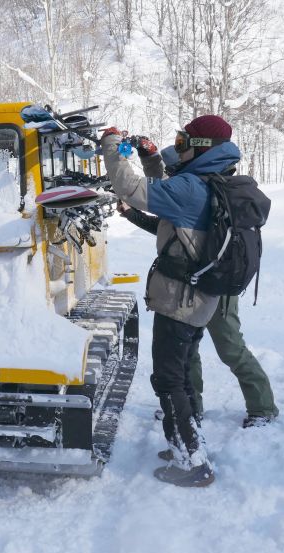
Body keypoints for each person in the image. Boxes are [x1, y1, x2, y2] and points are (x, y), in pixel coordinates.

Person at [101, 115, 244, 487]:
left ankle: (192, 461)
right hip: (195, 299)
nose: (177, 146)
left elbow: (130, 187)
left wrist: (112, 145)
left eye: (183, 141)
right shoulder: (206, 181)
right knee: (178, 375)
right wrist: (151, 159)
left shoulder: (193, 187)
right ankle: (184, 439)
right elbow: (165, 195)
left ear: (201, 148)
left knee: (169, 379)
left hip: (181, 301)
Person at [117, 145, 280, 431]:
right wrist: (132, 214)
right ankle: (191, 409)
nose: (169, 176)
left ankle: (263, 407)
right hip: (199, 282)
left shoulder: (198, 190)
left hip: (218, 285)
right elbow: (170, 228)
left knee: (230, 347)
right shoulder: (189, 189)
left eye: (170, 170)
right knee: (187, 351)